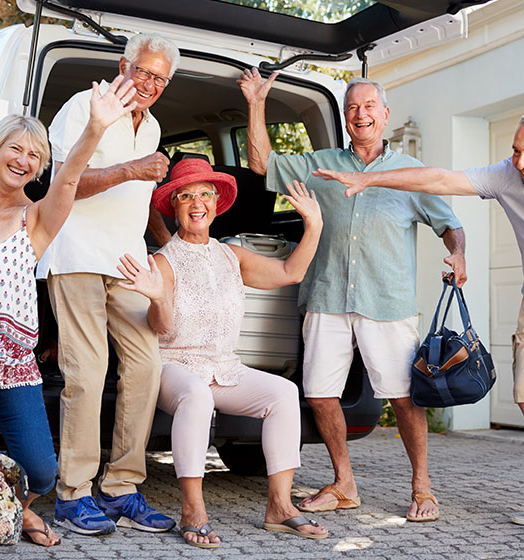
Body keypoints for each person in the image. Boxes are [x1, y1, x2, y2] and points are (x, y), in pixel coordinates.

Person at [313, 107, 524, 546]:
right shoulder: (507, 177)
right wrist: (369, 179)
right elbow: (440, 179)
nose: (520, 161)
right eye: (516, 150)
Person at [0, 77, 139, 560]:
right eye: (15, 148)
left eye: (34, 155)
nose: (23, 160)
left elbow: (70, 179)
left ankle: (17, 510)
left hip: (8, 361)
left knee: (40, 471)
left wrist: (96, 128)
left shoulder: (35, 219)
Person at [237, 69, 465, 522]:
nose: (360, 115)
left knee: (404, 397)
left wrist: (458, 254)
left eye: (368, 106)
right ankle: (344, 483)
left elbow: (449, 224)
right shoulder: (322, 166)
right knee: (320, 394)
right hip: (326, 297)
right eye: (352, 108)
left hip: (387, 301)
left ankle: (422, 487)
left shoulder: (410, 173)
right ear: (346, 117)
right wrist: (257, 103)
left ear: (385, 114)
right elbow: (262, 164)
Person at [115, 158, 327, 548]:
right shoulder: (163, 261)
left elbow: (291, 273)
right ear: (174, 205)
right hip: (174, 366)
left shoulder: (232, 255)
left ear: (217, 202)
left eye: (205, 194)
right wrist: (158, 297)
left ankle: (279, 506)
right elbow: (161, 327)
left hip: (225, 367)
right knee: (197, 395)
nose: (197, 203)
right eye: (186, 196)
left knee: (284, 393)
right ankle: (193, 509)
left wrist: (314, 226)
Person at [35, 33, 180, 536]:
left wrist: (166, 247)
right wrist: (131, 170)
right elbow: (65, 184)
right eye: (144, 71)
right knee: (89, 369)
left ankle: (120, 487)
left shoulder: (153, 125)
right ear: (123, 65)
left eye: (160, 78)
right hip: (76, 254)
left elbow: (137, 204)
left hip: (128, 262)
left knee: (146, 365)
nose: (151, 84)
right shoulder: (86, 106)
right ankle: (72, 494)